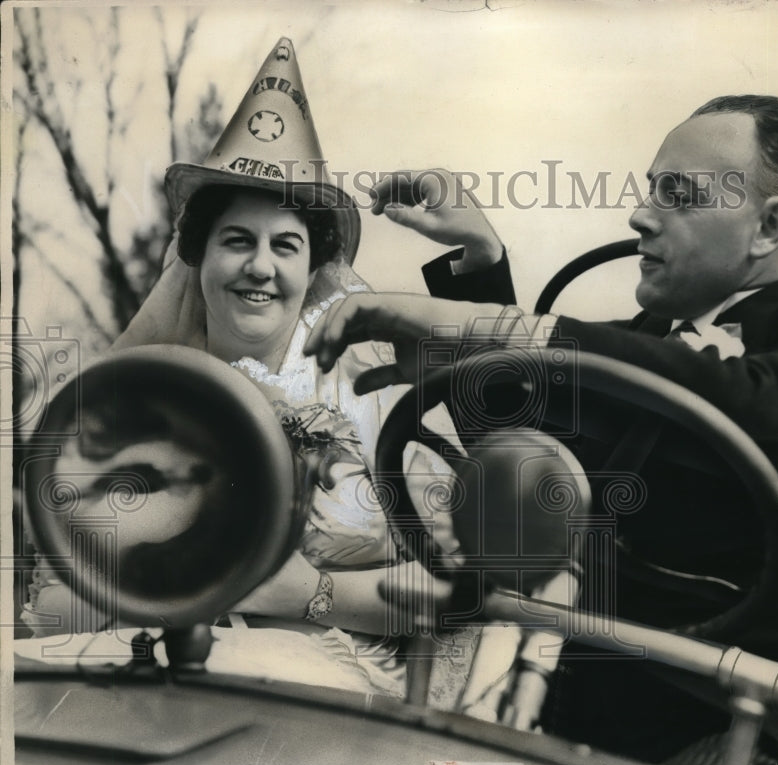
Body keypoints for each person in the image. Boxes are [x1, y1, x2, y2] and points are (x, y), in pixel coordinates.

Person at [303, 96, 778, 765]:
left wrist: (493, 327)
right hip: (603, 715)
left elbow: (752, 403)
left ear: (772, 226)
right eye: (649, 189)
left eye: (680, 196)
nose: (640, 215)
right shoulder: (642, 344)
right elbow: (538, 463)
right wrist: (481, 265)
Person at [21, 38, 457, 698]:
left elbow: (453, 592)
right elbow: (64, 590)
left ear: (312, 271)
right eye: (236, 241)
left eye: (285, 246)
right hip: (167, 667)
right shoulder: (153, 390)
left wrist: (311, 593)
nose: (260, 267)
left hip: (337, 680)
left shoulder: (367, 385)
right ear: (199, 259)